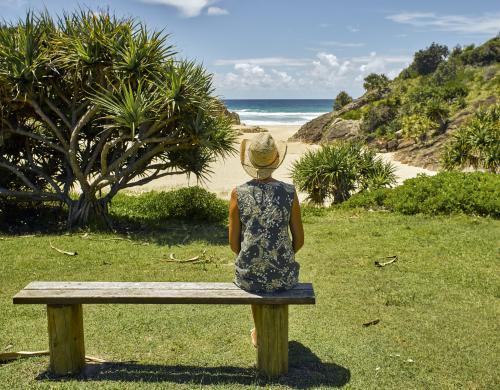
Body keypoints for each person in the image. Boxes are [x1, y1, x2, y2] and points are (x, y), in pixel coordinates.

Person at [228, 132, 304, 347]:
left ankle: (260, 331)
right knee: (278, 270)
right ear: (276, 159)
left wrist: (255, 256)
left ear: (250, 160)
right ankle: (275, 331)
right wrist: (280, 254)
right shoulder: (289, 192)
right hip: (284, 274)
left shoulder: (238, 193)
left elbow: (234, 244)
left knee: (253, 270)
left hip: (248, 276)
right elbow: (299, 240)